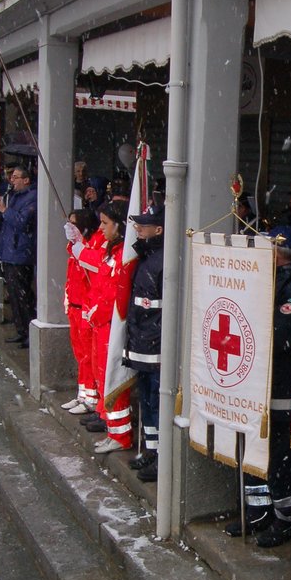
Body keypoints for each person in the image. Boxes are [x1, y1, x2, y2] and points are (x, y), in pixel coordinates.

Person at [225, 225, 291, 548]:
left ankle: (286, 517)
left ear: (280, 254)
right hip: (256, 384)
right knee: (256, 449)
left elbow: (281, 333)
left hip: (282, 389)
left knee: (280, 457)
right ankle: (258, 511)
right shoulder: (267, 277)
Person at [74, 202, 134, 455]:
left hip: (111, 325)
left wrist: (97, 311)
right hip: (101, 324)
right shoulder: (112, 250)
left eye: (105, 223)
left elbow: (113, 292)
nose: (101, 228)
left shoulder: (121, 254)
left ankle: (120, 435)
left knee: (112, 378)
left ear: (119, 226)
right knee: (101, 373)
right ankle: (112, 428)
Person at [123, 207, 165, 483]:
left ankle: (161, 456)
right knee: (148, 402)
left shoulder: (162, 261)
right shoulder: (146, 256)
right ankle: (151, 449)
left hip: (155, 346)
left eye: (143, 226)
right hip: (141, 343)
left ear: (158, 230)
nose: (137, 229)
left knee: (157, 403)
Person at [0, 163, 37, 349]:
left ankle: (28, 332)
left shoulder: (32, 197)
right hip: (9, 251)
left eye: (16, 177)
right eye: (12, 177)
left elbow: (22, 222)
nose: (12, 180)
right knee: (15, 296)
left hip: (21, 253)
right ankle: (20, 330)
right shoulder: (13, 196)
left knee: (23, 296)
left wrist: (4, 209)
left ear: (26, 180)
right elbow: (7, 224)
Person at [60, 207, 100, 414]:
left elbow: (92, 268)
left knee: (88, 355)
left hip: (85, 309)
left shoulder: (90, 247)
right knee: (79, 354)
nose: (71, 228)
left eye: (74, 224)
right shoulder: (75, 249)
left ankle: (91, 397)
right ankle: (82, 394)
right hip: (74, 308)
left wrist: (80, 245)